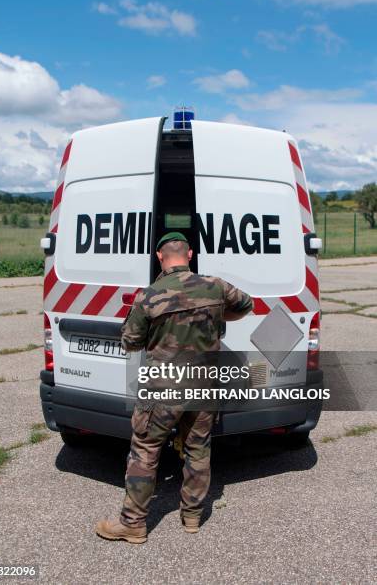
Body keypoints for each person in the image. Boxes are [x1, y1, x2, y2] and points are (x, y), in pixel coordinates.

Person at [96, 232, 253, 544]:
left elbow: (130, 343)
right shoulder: (215, 286)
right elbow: (246, 305)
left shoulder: (149, 295)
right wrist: (219, 314)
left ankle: (133, 523)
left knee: (145, 449)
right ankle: (192, 516)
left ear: (159, 257)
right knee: (198, 448)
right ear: (190, 254)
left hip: (162, 388)